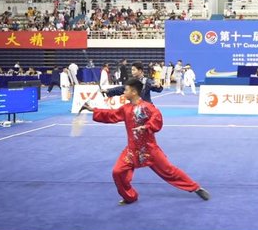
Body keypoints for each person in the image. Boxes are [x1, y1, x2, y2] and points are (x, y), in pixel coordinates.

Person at [81, 78, 209, 205]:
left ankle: (195, 187)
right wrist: (93, 110)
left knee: (169, 171)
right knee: (117, 172)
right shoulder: (125, 108)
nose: (123, 93)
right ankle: (130, 197)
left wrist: (146, 127)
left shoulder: (147, 107)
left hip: (150, 150)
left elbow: (157, 117)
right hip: (131, 151)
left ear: (134, 92)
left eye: (125, 90)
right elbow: (112, 115)